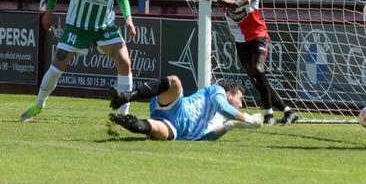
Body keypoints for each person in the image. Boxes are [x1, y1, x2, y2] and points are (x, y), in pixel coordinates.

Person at [20, 0, 136, 122]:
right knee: (56, 69)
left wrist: (128, 19)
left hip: (104, 27)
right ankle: (39, 104)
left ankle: (124, 115)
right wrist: (49, 12)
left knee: (124, 63)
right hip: (77, 26)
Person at [178, 0, 300, 126]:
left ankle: (269, 114)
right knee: (255, 78)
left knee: (258, 69)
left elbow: (236, 4)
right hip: (240, 40)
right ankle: (288, 112)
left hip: (258, 35)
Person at [108, 76, 263, 140]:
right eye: (240, 99)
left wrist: (231, 125)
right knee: (174, 81)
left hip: (177, 128)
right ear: (229, 94)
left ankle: (126, 122)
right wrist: (249, 119)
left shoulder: (220, 120)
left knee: (150, 129)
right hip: (178, 107)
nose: (241, 104)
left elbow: (206, 138)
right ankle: (127, 96)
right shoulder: (217, 91)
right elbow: (224, 108)